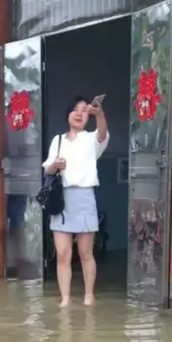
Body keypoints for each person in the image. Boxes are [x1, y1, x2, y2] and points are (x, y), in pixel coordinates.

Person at [42, 95, 109, 307]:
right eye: (75, 110)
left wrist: (100, 114)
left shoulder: (92, 138)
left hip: (84, 197)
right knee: (63, 253)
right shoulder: (58, 140)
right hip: (62, 199)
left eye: (84, 110)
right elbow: (48, 168)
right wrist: (56, 166)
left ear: (89, 116)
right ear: (68, 114)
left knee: (85, 253)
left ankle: (89, 295)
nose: (79, 114)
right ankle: (65, 298)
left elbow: (102, 134)